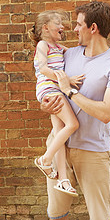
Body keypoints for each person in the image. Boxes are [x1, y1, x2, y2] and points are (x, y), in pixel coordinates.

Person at [40, 1, 110, 220]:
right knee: (56, 214)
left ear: (93, 28)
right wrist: (45, 105)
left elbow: (106, 112)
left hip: (92, 152)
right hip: (59, 148)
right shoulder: (68, 55)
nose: (74, 29)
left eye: (79, 24)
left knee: (100, 218)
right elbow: (49, 86)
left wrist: (70, 92)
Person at [29, 10, 85, 197]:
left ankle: (63, 180)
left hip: (56, 90)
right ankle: (44, 160)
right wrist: (66, 80)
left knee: (59, 131)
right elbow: (43, 68)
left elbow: (79, 52)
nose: (62, 27)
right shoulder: (43, 45)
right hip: (50, 90)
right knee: (73, 124)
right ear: (46, 27)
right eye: (58, 23)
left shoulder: (59, 47)